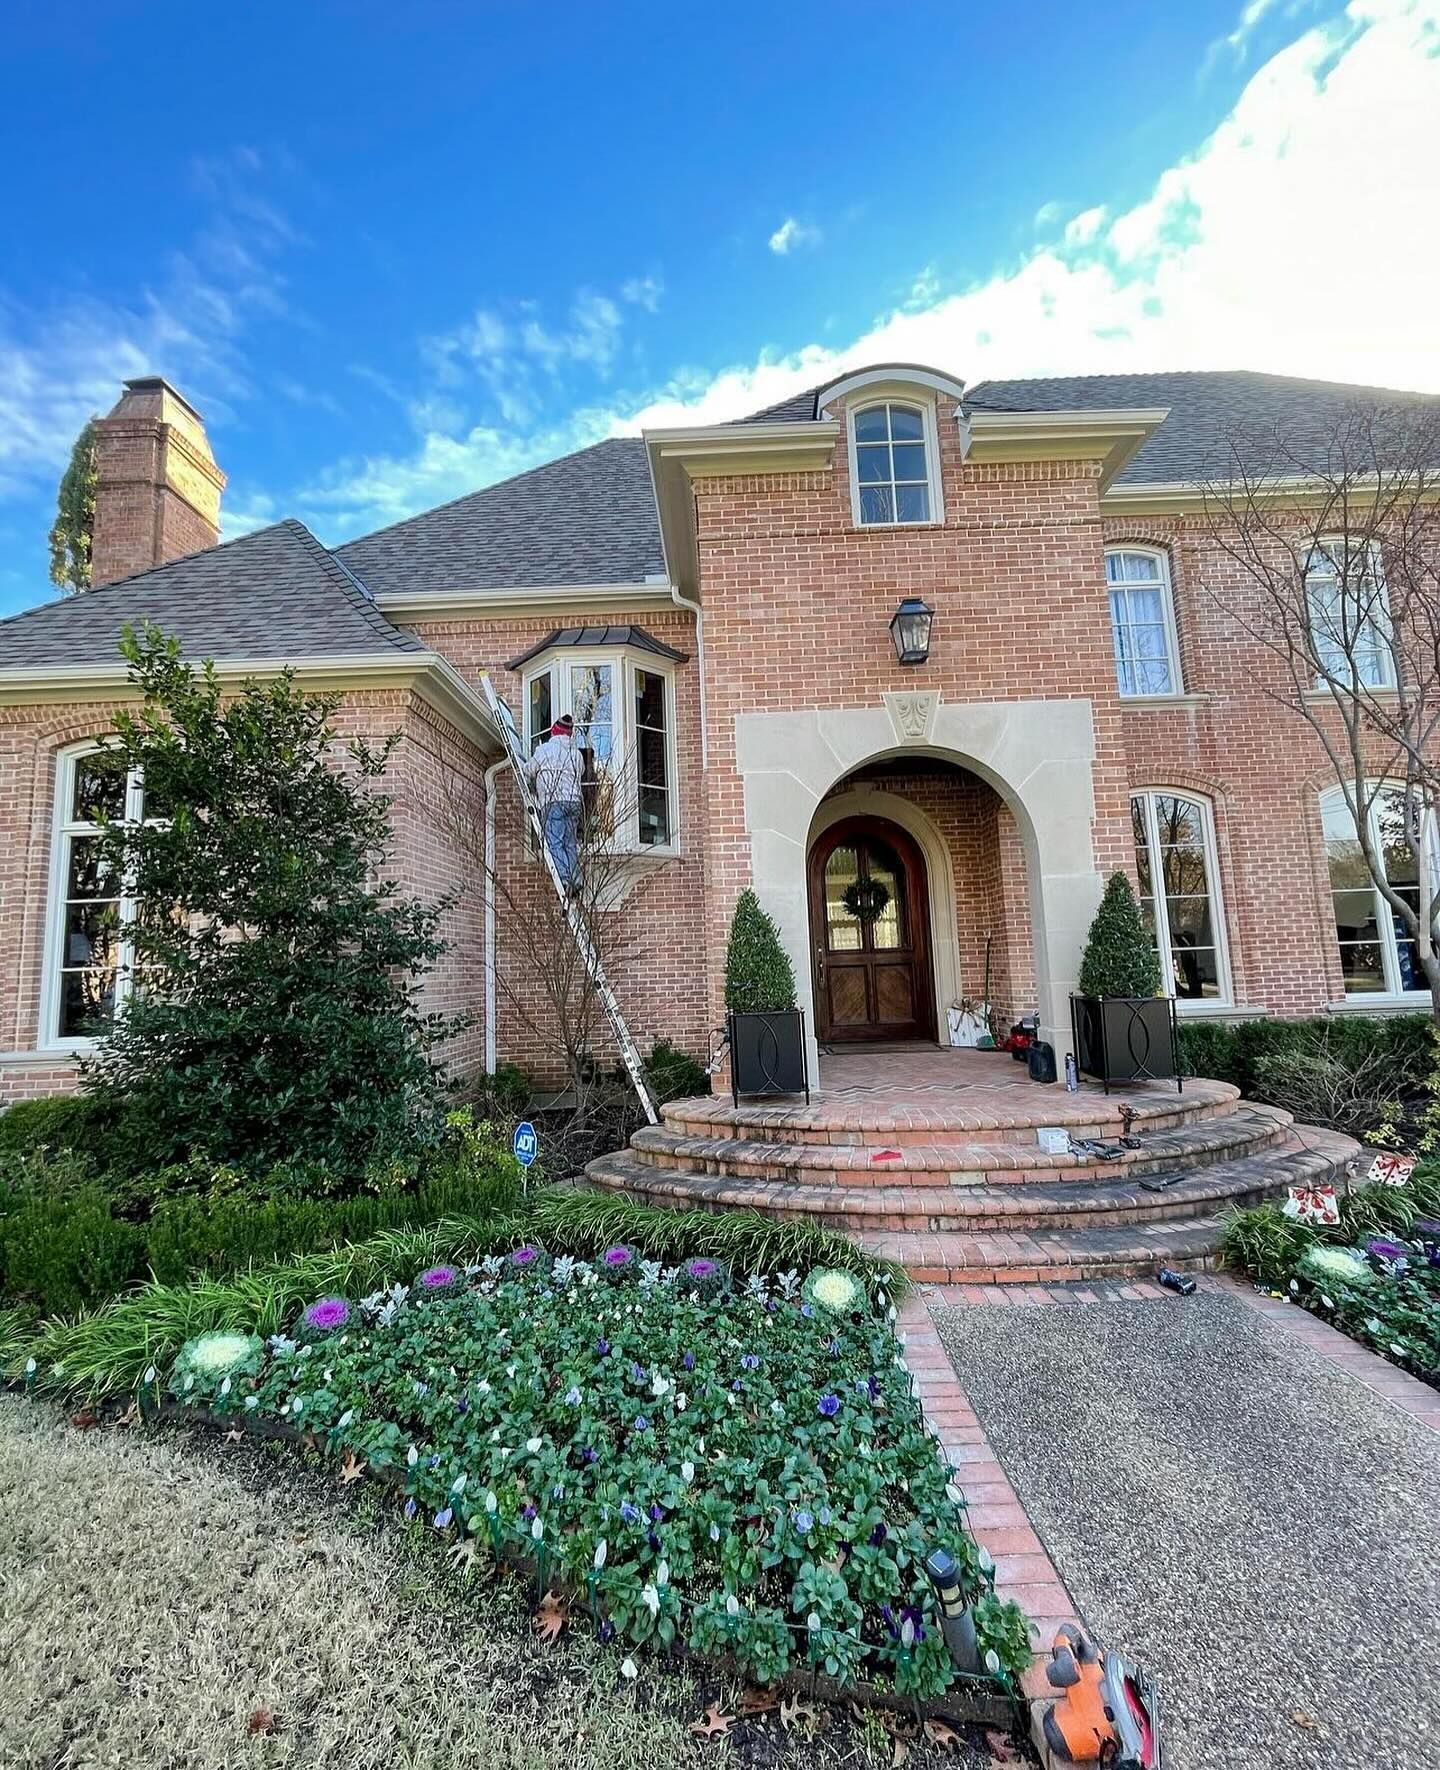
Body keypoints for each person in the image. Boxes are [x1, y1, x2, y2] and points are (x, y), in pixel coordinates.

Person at [526, 713, 584, 892]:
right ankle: (576, 880)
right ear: (569, 734)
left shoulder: (544, 751)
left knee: (555, 843)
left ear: (554, 732)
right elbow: (580, 773)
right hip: (573, 802)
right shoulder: (576, 755)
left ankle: (565, 881)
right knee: (570, 843)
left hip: (553, 802)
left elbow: (528, 771)